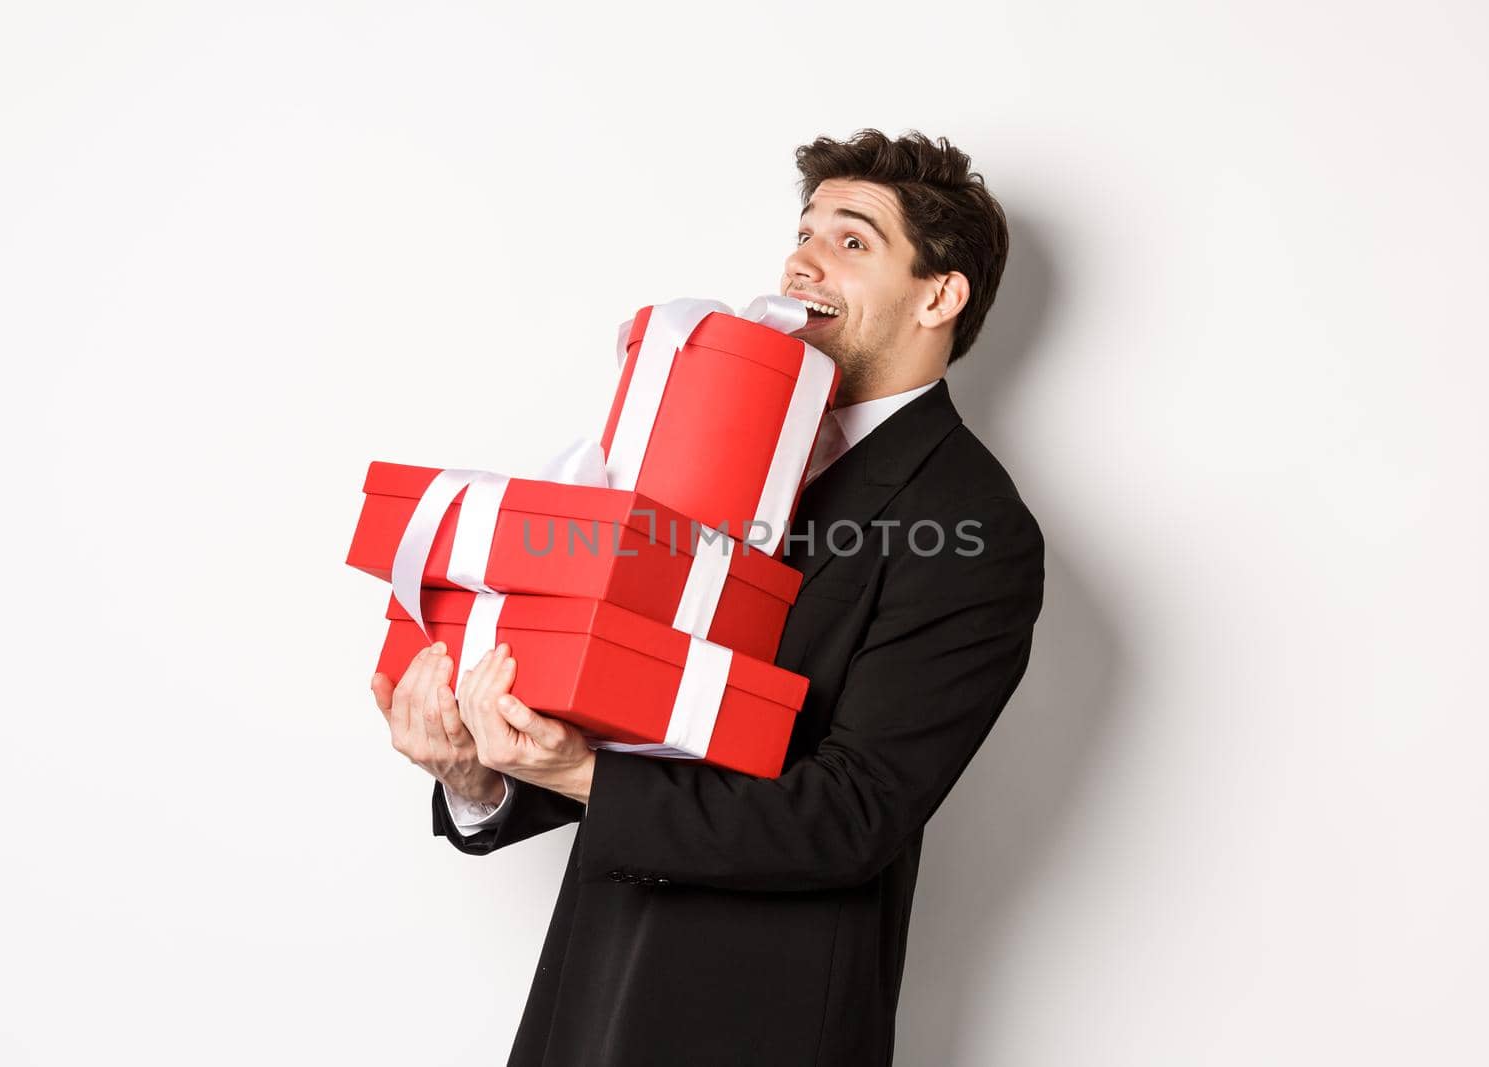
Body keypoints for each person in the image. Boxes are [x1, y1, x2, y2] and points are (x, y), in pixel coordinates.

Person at [371, 128, 1046, 1066]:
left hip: (760, 1016)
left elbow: (850, 815)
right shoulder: (731, 445)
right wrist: (478, 775)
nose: (803, 259)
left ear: (940, 294)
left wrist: (580, 775)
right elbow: (640, 713)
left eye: (852, 241)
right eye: (803, 232)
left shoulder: (976, 522)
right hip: (594, 977)